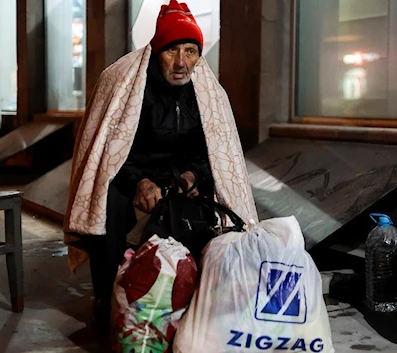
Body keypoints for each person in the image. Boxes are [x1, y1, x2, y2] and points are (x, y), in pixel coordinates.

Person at [63, 0, 258, 331]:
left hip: (179, 177)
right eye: (172, 51)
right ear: (157, 52)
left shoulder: (206, 93)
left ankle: (195, 297)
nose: (182, 62)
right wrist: (138, 182)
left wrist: (194, 175)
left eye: (191, 51)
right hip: (132, 175)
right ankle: (111, 302)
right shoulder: (128, 86)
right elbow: (110, 153)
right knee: (110, 202)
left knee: (213, 206)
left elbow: (214, 150)